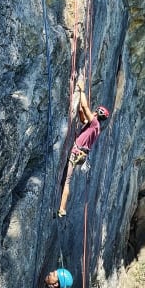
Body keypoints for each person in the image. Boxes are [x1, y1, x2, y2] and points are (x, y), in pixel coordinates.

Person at [57, 78, 110, 217]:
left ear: (97, 114)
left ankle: (62, 208)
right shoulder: (94, 126)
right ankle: (62, 208)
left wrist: (81, 89)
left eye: (95, 111)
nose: (92, 112)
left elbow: (85, 108)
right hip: (82, 155)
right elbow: (82, 114)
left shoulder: (95, 124)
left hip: (76, 153)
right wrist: (80, 108)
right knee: (67, 180)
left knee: (67, 181)